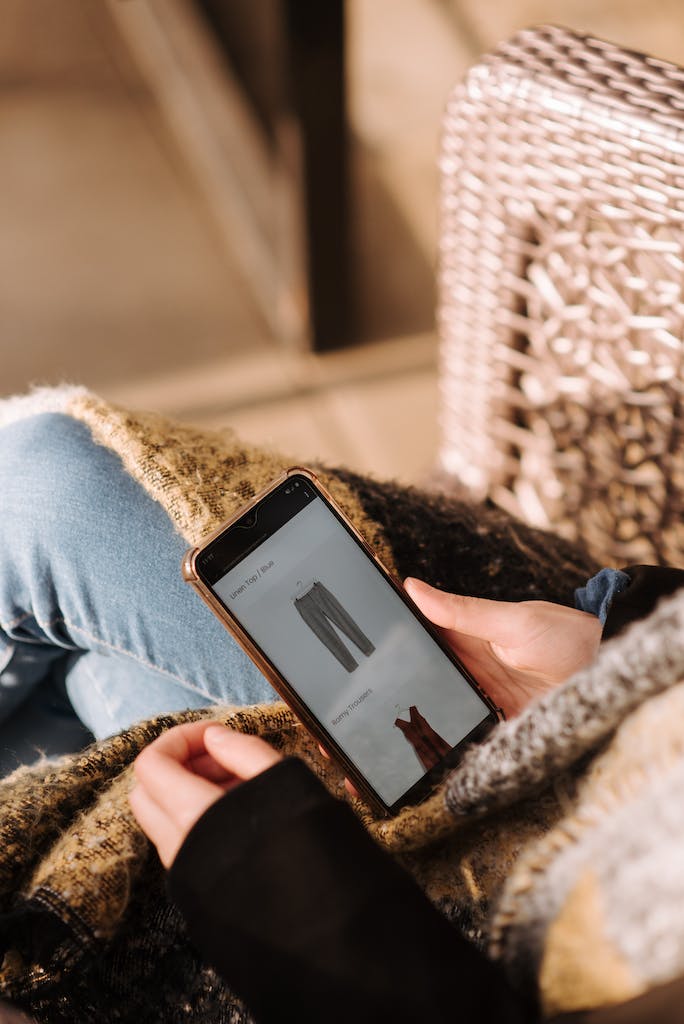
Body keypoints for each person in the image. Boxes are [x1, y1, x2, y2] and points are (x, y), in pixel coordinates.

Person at [3, 403, 684, 1021]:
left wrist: (301, 895)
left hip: (393, 939)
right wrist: (611, 646)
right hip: (592, 715)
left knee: (41, 491)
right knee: (63, 580)